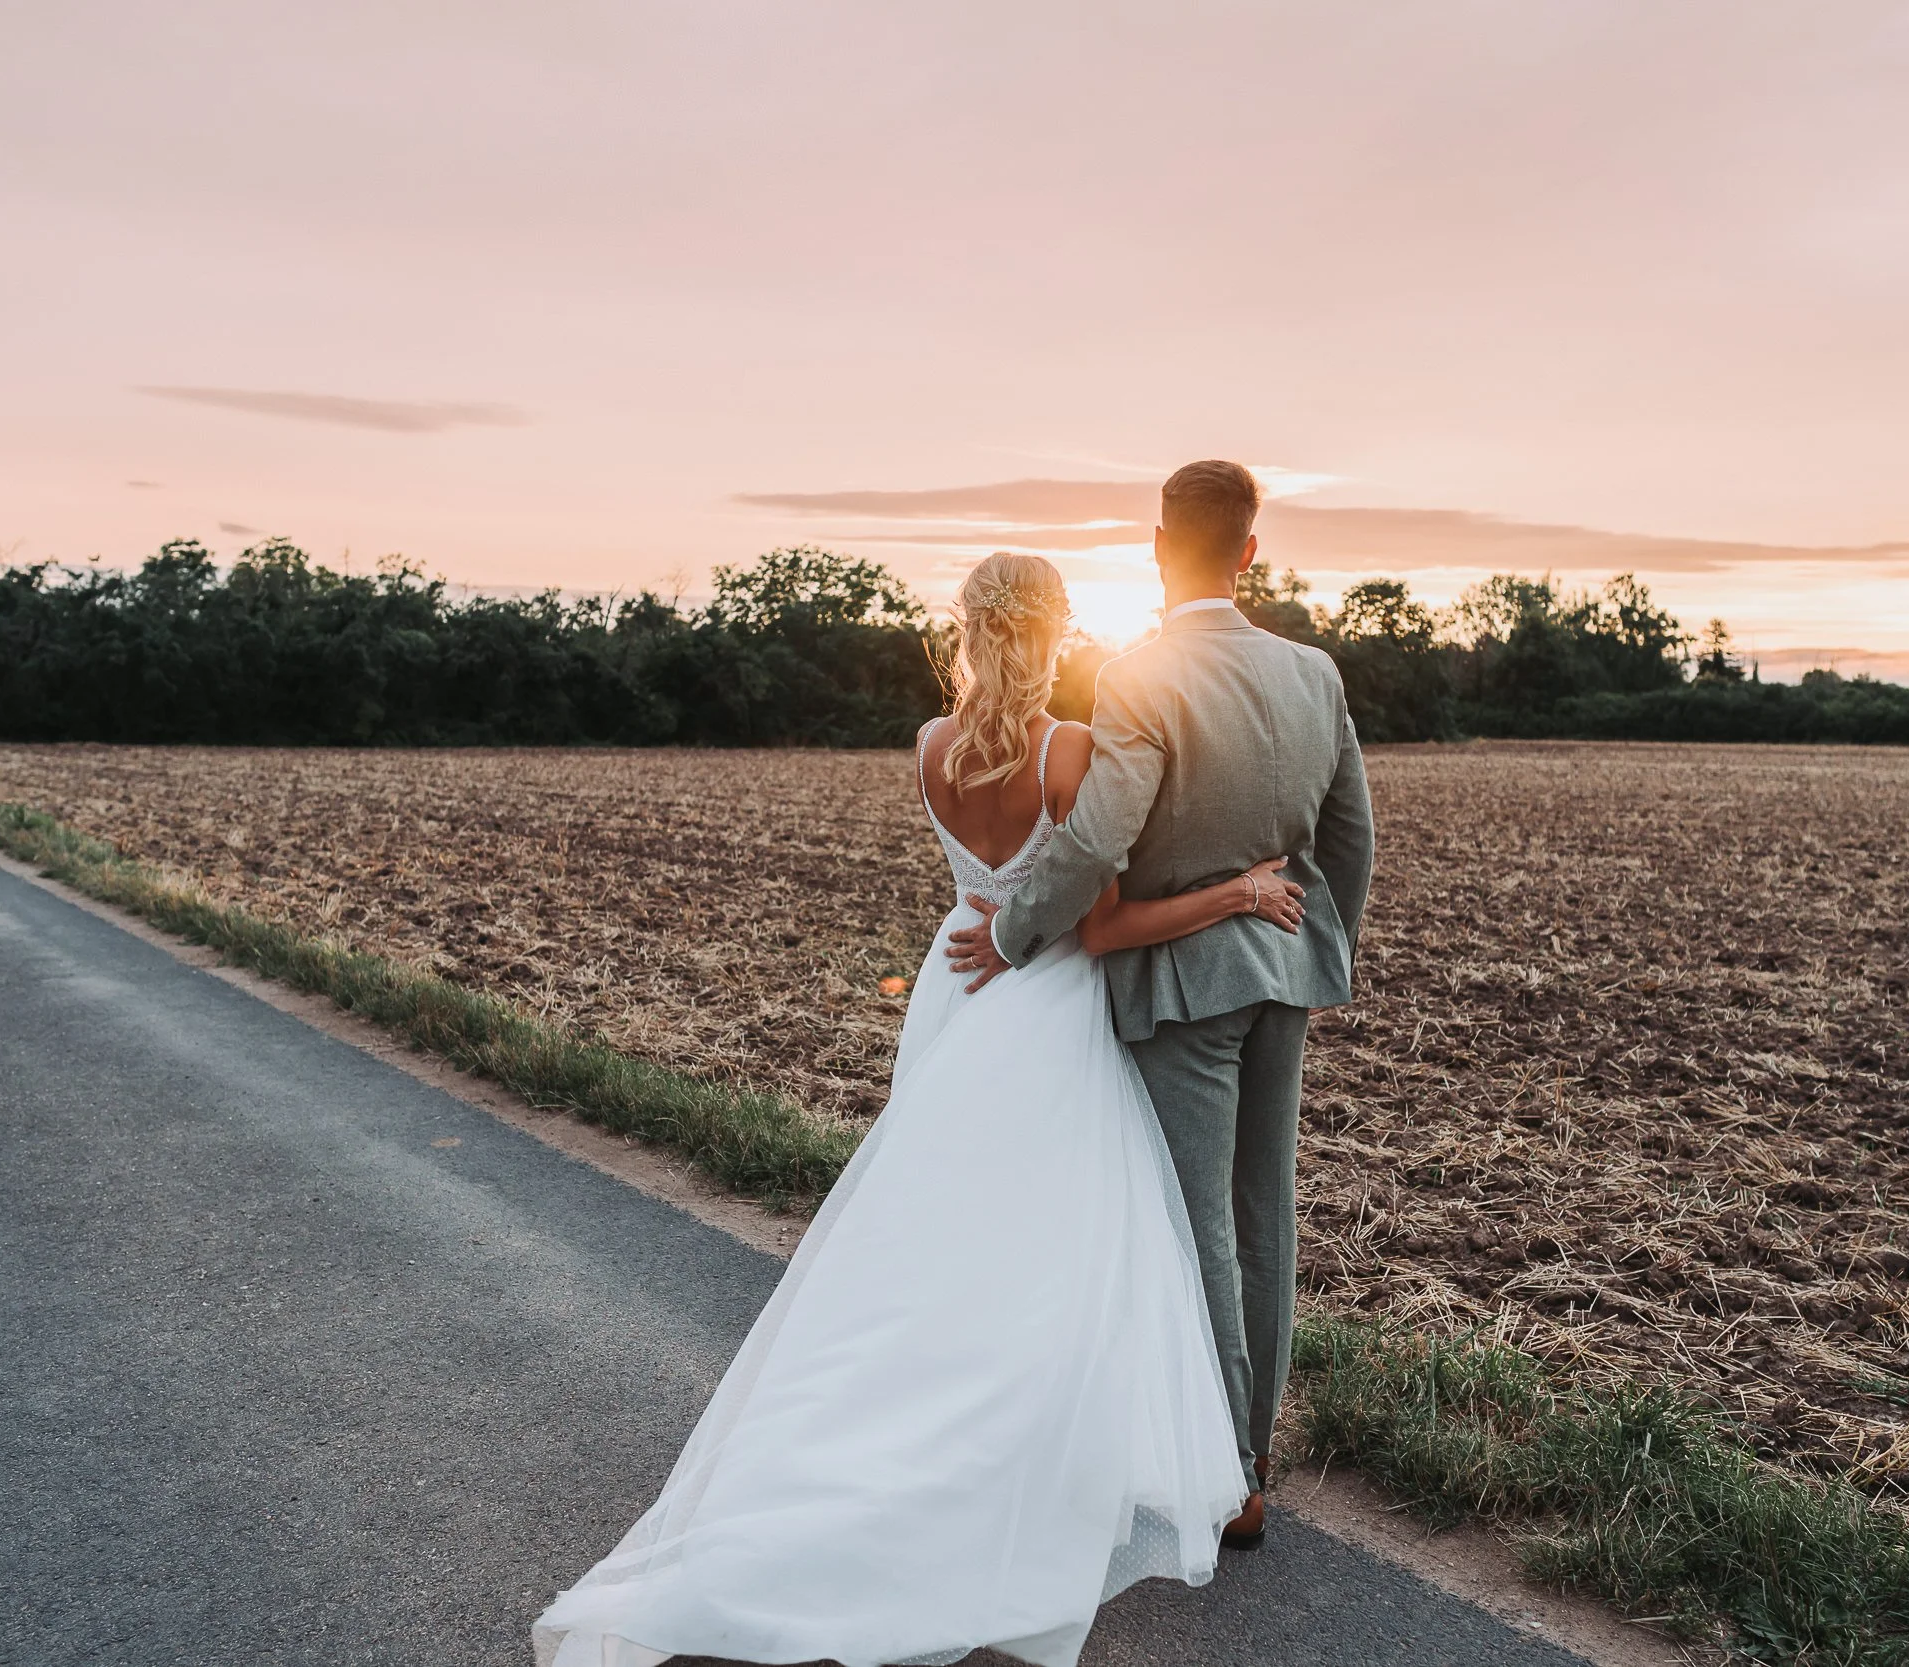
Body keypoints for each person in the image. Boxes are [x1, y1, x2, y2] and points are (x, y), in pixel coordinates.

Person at [533, 546, 1316, 1667]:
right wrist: (1238, 889)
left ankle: (897, 1451)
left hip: (955, 997)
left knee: (941, 1241)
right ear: (1055, 632)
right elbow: (1094, 929)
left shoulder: (929, 750)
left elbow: (983, 893)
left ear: (967, 628)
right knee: (1052, 1253)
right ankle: (1012, 1463)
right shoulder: (1068, 753)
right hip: (1045, 1013)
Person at [948, 459, 1376, 1550]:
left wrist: (1006, 932)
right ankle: (1255, 1445)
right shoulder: (1313, 673)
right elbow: (1349, 837)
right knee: (1262, 1213)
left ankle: (1228, 1470)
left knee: (1198, 1224)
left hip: (1185, 986)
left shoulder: (1141, 674)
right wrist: (1324, 951)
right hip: (1282, 964)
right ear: (1248, 549)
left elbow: (1097, 837)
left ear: (1154, 545)